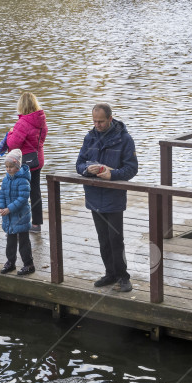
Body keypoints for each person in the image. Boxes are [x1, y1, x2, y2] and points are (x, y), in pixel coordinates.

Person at [75, 103, 139, 292]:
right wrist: (87, 170)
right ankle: (110, 274)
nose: (97, 125)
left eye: (101, 121)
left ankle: (123, 277)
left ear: (110, 119)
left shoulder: (125, 139)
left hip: (114, 197)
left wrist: (113, 175)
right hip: (94, 195)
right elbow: (78, 164)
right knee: (103, 239)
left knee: (115, 239)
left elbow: (132, 168)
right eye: (94, 121)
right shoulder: (89, 137)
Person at [4, 92, 47, 233]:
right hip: (37, 160)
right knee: (35, 191)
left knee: (18, 191)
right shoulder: (41, 121)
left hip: (24, 162)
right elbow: (42, 139)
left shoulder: (22, 123)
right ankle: (36, 224)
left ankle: (19, 222)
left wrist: (10, 132)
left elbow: (13, 144)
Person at [0, 149, 35, 276]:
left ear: (17, 167)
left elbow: (23, 199)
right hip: (9, 217)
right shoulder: (5, 180)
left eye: (11, 167)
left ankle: (28, 264)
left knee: (24, 241)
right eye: (6, 167)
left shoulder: (23, 180)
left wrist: (10, 209)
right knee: (10, 241)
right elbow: (1, 194)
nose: (8, 169)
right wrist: (1, 207)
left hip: (20, 216)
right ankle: (10, 262)